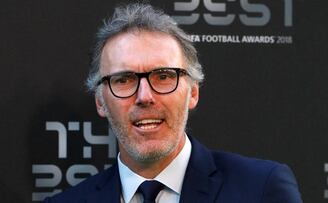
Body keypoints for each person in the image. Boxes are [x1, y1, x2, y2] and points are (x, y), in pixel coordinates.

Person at [44, 3, 302, 203]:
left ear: (193, 93)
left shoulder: (261, 190)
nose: (144, 96)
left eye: (164, 76)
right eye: (124, 79)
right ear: (100, 101)